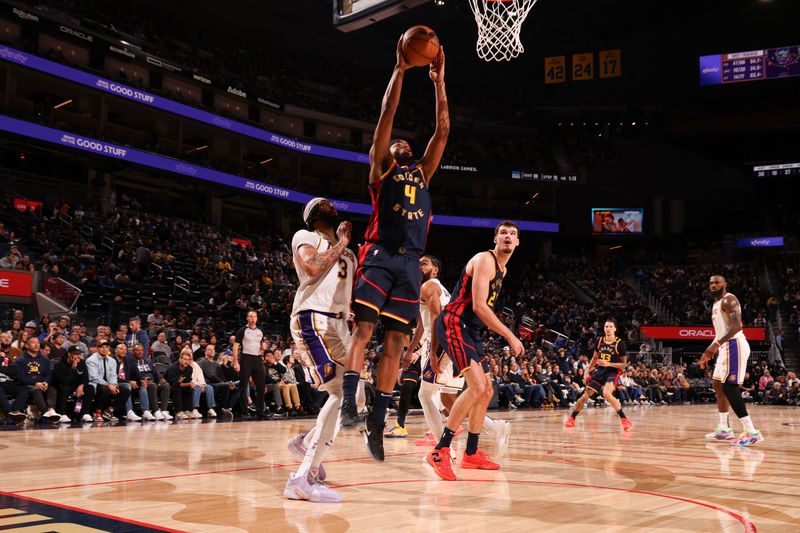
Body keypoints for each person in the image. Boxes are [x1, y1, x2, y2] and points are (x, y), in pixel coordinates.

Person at [339, 37, 449, 464]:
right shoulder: (381, 169)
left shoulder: (423, 173)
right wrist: (401, 70)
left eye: (406, 143)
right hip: (380, 254)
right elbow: (387, 114)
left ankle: (378, 418)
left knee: (398, 343)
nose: (401, 142)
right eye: (395, 143)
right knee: (364, 332)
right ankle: (350, 401)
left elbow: (443, 130)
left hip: (409, 265)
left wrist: (439, 82)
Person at [426, 222, 523, 481]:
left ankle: (470, 453)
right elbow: (480, 306)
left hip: (470, 330)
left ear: (517, 243)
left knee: (487, 389)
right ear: (495, 239)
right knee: (477, 387)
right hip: (455, 324)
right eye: (503, 232)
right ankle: (440, 450)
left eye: (513, 234)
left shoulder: (503, 269)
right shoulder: (484, 259)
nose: (508, 236)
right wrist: (510, 334)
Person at [284, 197, 355, 503]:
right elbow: (312, 268)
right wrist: (340, 243)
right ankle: (303, 477)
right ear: (313, 214)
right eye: (323, 203)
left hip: (340, 324)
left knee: (358, 393)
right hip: (314, 317)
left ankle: (307, 442)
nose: (330, 204)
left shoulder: (349, 252)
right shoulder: (307, 237)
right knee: (341, 392)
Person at [700, 275, 764, 446]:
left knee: (730, 387)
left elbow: (736, 326)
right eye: (711, 283)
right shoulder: (715, 304)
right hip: (725, 346)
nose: (713, 285)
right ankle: (724, 429)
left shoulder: (729, 300)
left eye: (717, 282)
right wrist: (708, 351)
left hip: (734, 344)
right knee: (718, 385)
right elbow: (720, 332)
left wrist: (715, 346)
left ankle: (752, 431)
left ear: (725, 285)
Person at [565, 319, 632, 430]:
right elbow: (595, 357)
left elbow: (623, 365)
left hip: (613, 371)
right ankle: (572, 418)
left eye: (610, 326)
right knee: (584, 397)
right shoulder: (600, 340)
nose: (608, 329)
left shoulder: (620, 343)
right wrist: (587, 370)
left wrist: (608, 363)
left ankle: (624, 419)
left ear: (615, 329)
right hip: (600, 370)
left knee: (606, 393)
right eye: (606, 326)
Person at [232, 310, 267, 419]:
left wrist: (263, 347)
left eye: (254, 316)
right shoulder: (243, 330)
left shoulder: (260, 330)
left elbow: (263, 342)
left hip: (257, 358)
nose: (252, 318)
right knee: (243, 385)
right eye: (250, 316)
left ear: (257, 318)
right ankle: (244, 411)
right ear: (247, 318)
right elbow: (236, 346)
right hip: (246, 358)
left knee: (261, 386)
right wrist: (235, 361)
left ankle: (260, 411)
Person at [86, 340, 131, 422]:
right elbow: (94, 377)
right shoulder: (91, 360)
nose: (104, 349)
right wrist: (108, 385)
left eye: (106, 347)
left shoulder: (112, 360)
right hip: (95, 384)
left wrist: (114, 384)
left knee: (125, 391)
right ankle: (97, 412)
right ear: (97, 348)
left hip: (108, 385)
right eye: (102, 347)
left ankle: (109, 411)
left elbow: (113, 375)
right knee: (104, 389)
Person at [49, 345, 95, 423]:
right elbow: (65, 381)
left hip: (76, 387)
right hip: (62, 386)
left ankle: (85, 414)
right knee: (64, 387)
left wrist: (81, 386)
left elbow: (86, 378)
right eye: (75, 354)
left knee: (90, 387)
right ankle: (62, 413)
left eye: (78, 354)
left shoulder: (82, 362)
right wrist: (73, 367)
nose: (77, 356)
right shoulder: (59, 364)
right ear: (69, 354)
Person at [131, 344, 173, 421]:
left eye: (141, 350)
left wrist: (160, 379)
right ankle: (156, 411)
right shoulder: (131, 363)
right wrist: (141, 379)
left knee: (166, 385)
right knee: (152, 385)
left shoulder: (148, 361)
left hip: (153, 381)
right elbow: (131, 375)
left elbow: (155, 372)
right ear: (133, 352)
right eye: (137, 350)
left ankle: (163, 410)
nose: (140, 352)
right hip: (142, 384)